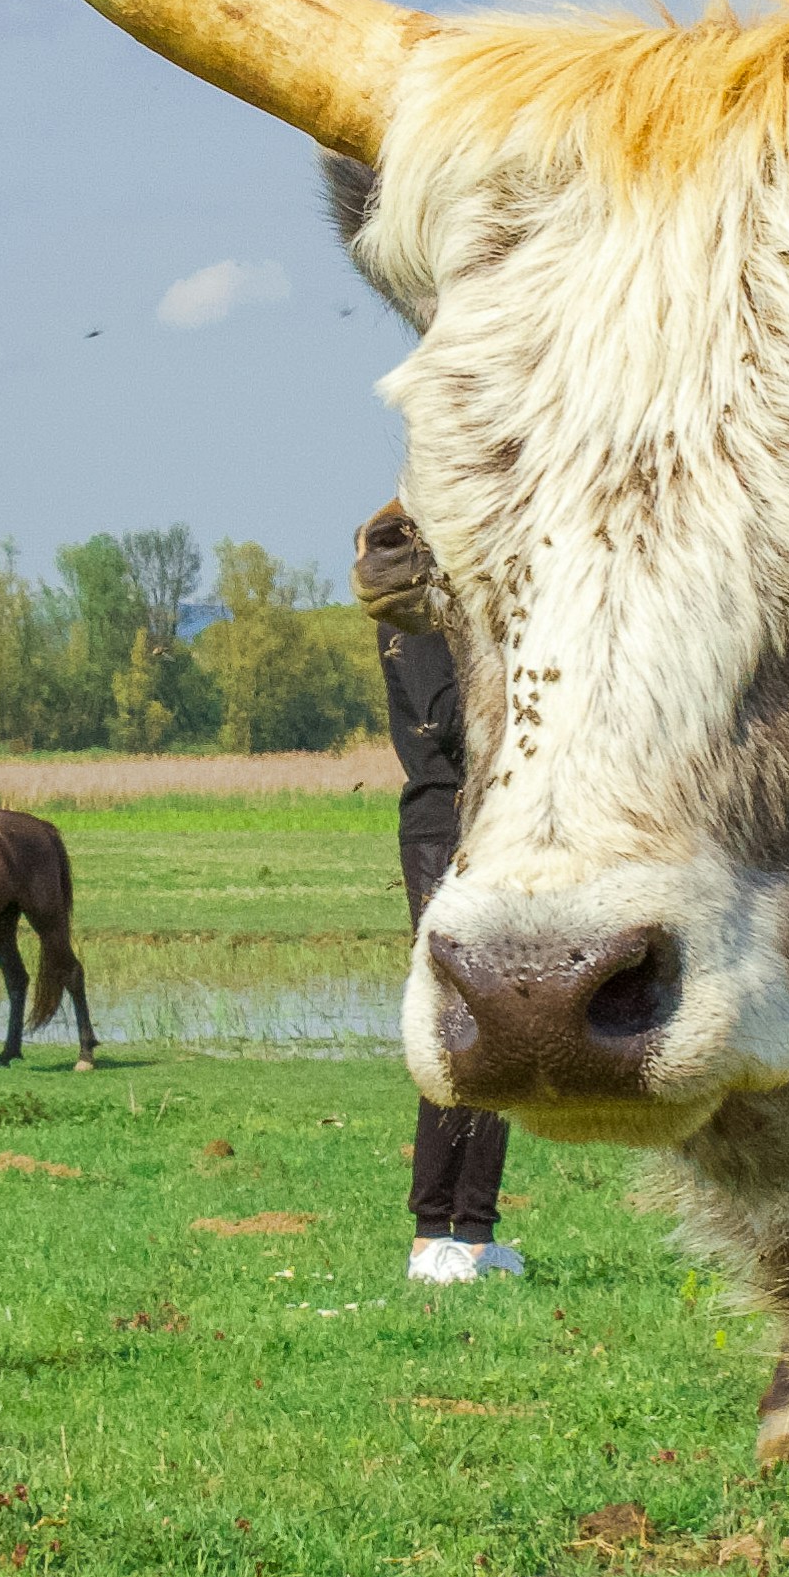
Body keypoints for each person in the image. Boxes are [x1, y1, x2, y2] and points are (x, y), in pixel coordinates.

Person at [357, 498, 520, 1284]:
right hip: (442, 827)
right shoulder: (417, 620)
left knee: (500, 1025)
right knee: (458, 1021)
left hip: (491, 820)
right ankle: (432, 1235)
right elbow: (444, 721)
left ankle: (477, 1233)